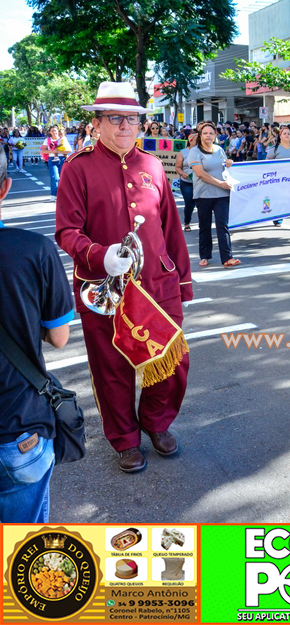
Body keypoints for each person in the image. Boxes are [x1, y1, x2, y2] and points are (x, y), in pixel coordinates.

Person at [55, 82, 193, 473]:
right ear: (96, 123)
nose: (124, 126)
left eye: (131, 118)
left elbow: (171, 229)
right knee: (111, 369)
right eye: (114, 118)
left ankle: (155, 422)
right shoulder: (77, 168)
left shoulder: (152, 165)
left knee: (171, 362)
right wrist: (99, 256)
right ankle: (125, 440)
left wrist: (183, 281)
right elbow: (67, 231)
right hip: (104, 289)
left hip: (158, 285)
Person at [0, 150, 73, 521]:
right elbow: (59, 337)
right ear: (6, 188)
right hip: (19, 424)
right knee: (22, 552)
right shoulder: (36, 250)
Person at [188, 121, 240, 268]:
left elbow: (224, 166)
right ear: (200, 135)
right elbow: (200, 173)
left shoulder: (219, 150)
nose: (208, 135)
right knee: (204, 226)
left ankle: (227, 258)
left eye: (211, 133)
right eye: (205, 133)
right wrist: (220, 184)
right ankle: (205, 256)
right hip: (203, 194)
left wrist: (229, 163)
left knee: (222, 226)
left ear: (215, 135)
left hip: (222, 194)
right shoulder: (195, 151)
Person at [267, 127, 290, 230]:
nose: (287, 135)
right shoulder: (274, 148)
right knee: (280, 198)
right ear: (280, 136)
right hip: (279, 178)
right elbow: (267, 162)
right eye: (284, 133)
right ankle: (278, 219)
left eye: (288, 133)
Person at [41, 125, 72, 202]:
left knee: (63, 178)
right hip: (52, 159)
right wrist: (53, 151)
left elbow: (69, 150)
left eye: (55, 130)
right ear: (50, 132)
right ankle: (54, 194)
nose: (54, 132)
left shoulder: (62, 139)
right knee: (54, 177)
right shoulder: (47, 140)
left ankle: (64, 194)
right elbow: (44, 150)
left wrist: (59, 151)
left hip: (62, 159)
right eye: (52, 131)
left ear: (58, 131)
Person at [175, 132, 198, 232]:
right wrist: (183, 173)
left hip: (201, 181)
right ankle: (187, 222)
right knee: (189, 203)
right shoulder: (183, 152)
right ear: (191, 140)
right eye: (197, 139)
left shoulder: (202, 151)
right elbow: (178, 167)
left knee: (203, 203)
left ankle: (204, 223)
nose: (199, 141)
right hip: (187, 181)